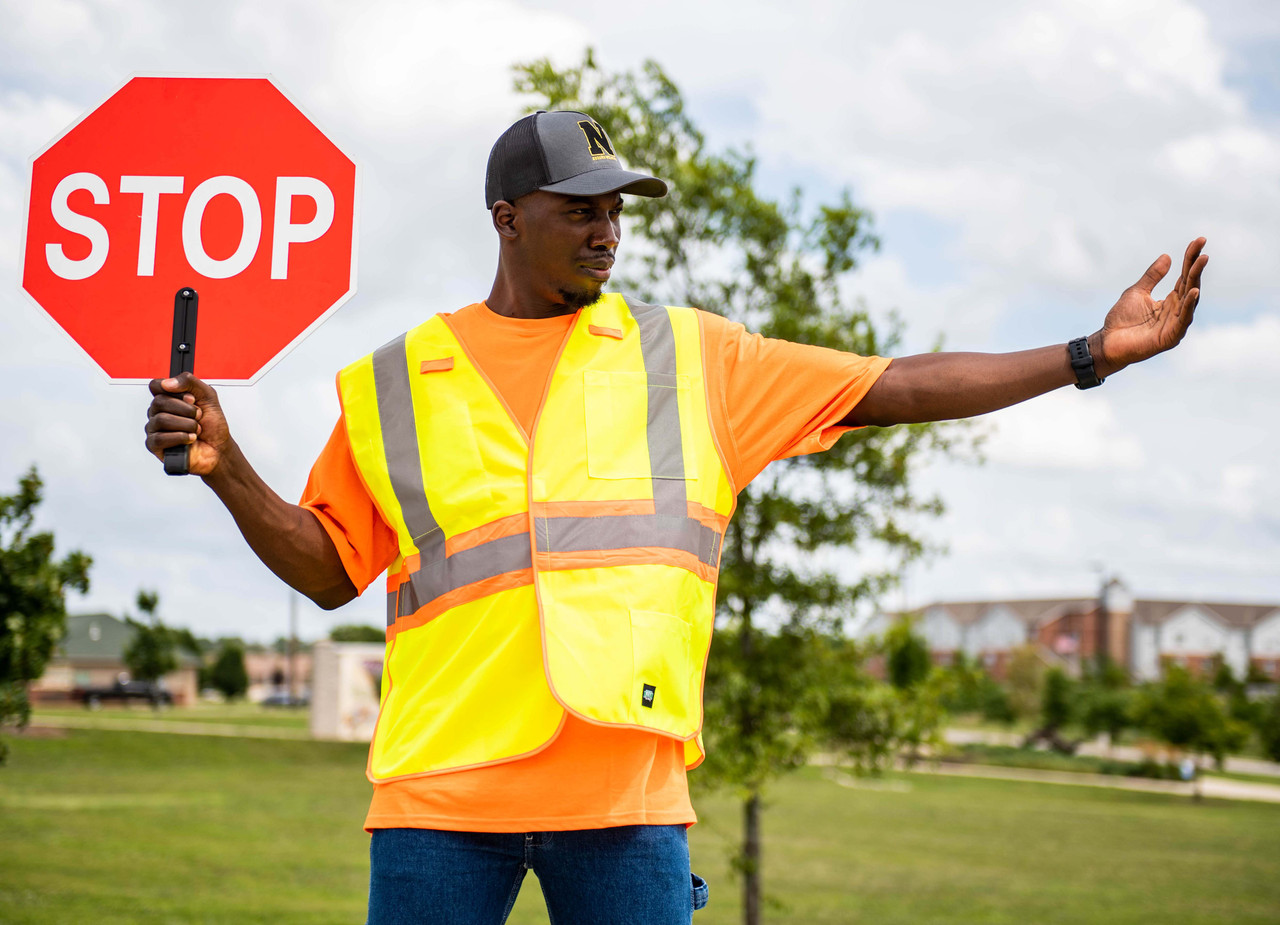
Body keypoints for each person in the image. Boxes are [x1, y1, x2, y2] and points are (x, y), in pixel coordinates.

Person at [144, 110, 1206, 924]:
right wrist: (229, 466)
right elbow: (330, 569)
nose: (607, 231)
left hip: (626, 800)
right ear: (508, 220)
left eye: (616, 210)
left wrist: (1084, 356)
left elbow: (900, 383)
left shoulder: (693, 358)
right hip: (437, 800)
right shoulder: (394, 383)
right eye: (579, 208)